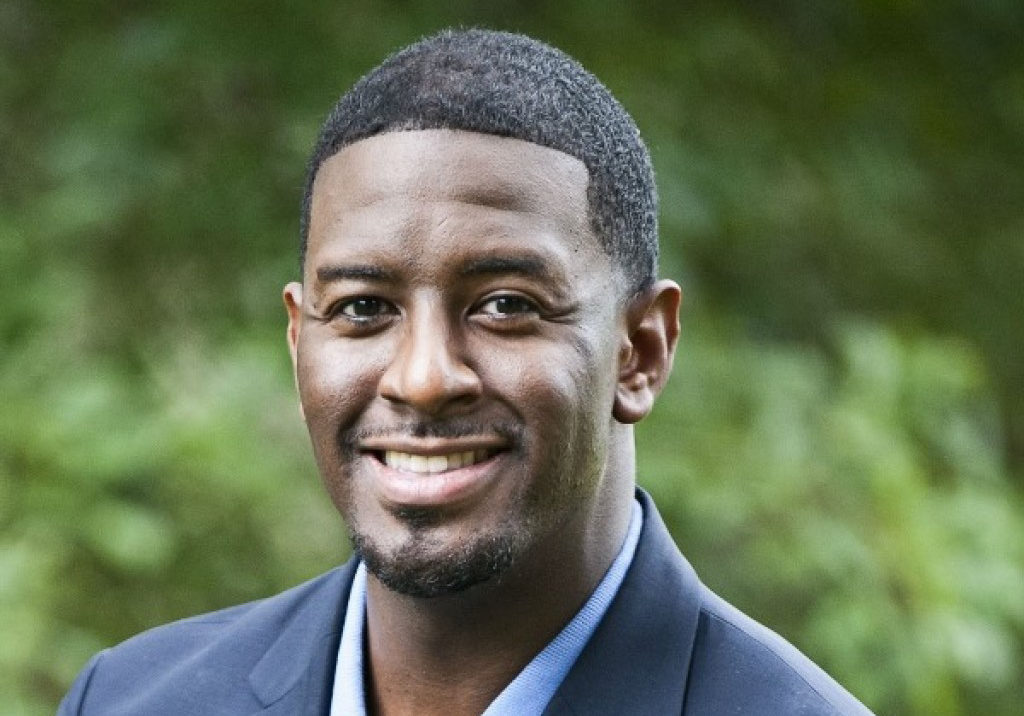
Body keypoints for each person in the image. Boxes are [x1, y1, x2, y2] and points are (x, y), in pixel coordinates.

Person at [59, 28, 873, 715]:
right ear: (299, 338)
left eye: (507, 305)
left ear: (642, 351)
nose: (422, 379)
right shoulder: (130, 698)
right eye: (362, 308)